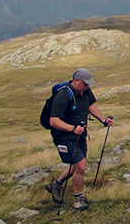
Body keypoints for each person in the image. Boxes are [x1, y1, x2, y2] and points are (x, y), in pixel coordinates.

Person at [45, 68, 113, 211]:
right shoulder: (63, 95)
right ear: (76, 81)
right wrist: (72, 128)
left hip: (79, 135)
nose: (88, 86)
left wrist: (103, 120)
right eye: (85, 83)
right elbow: (53, 120)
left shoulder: (85, 91)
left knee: (76, 165)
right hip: (64, 137)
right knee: (81, 166)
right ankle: (78, 199)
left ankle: (56, 184)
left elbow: (90, 105)